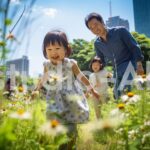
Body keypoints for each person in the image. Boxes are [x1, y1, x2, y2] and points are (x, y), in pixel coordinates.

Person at [34, 30, 99, 150]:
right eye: (49, 49)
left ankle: (71, 145)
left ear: (66, 49)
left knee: (70, 125)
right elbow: (44, 78)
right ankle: (61, 145)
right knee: (56, 124)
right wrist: (36, 89)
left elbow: (81, 77)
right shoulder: (47, 65)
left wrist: (92, 90)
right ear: (45, 51)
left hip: (71, 97)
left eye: (57, 48)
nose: (53, 52)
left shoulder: (71, 63)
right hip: (54, 98)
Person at [85, 12, 144, 99]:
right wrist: (96, 71)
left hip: (130, 65)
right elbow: (101, 61)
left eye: (96, 24)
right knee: (116, 95)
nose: (95, 29)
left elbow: (134, 47)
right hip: (116, 70)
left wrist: (139, 64)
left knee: (126, 91)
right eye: (91, 28)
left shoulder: (120, 31)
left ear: (102, 22)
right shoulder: (97, 43)